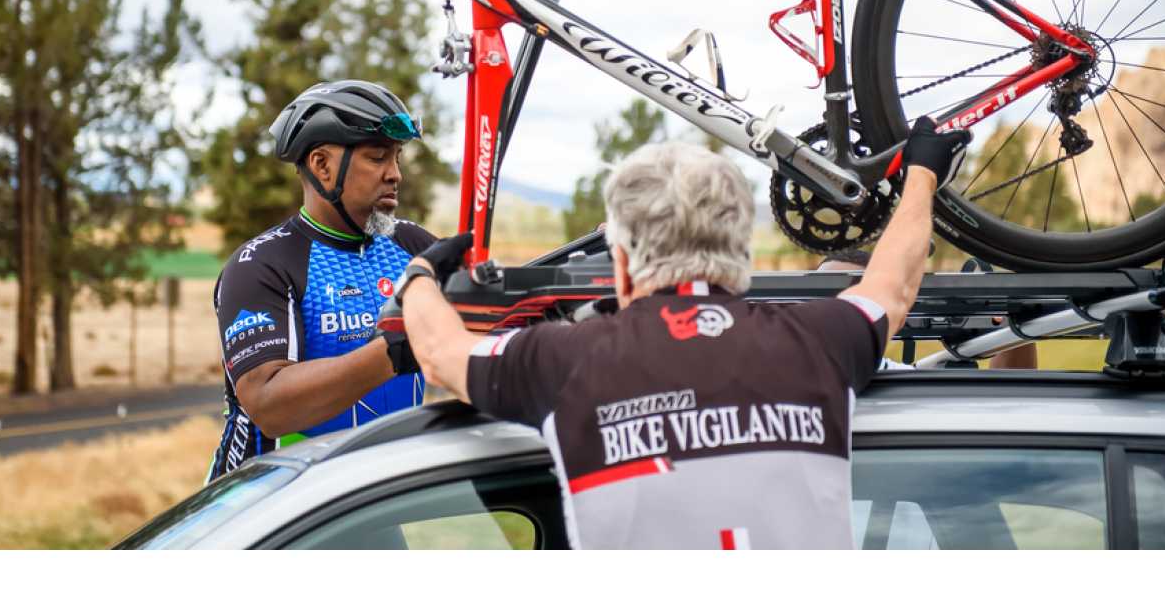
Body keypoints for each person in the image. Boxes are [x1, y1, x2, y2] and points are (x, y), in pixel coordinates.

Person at [396, 117, 969, 548]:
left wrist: (421, 276)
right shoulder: (816, 340)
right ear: (741, 252)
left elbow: (441, 352)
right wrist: (921, 176)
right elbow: (892, 286)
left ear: (621, 264)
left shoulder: (564, 361)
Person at [206, 80, 436, 483]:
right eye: (378, 157)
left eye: (397, 157)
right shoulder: (263, 264)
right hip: (271, 506)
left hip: (362, 496)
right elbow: (270, 405)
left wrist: (583, 257)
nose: (395, 174)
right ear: (322, 165)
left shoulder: (410, 244)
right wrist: (398, 349)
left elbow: (496, 305)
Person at [817, 250, 1037, 370]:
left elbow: (1007, 404)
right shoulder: (783, 372)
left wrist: (1012, 316)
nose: (832, 311)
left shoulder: (905, 383)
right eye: (818, 297)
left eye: (852, 300)